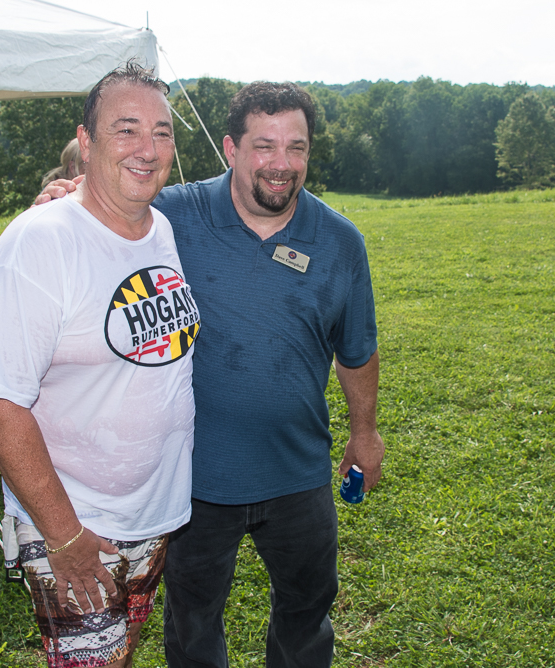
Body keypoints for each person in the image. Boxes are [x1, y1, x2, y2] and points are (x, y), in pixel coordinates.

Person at [39, 81, 385, 668]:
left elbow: (356, 350)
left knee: (306, 614)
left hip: (298, 473)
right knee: (192, 624)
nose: (281, 164)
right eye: (264, 146)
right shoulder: (173, 214)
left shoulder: (340, 241)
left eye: (296, 147)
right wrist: (66, 197)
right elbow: (106, 206)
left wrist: (365, 431)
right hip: (192, 480)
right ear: (230, 148)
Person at [0, 62, 200, 668]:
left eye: (162, 132)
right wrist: (64, 536)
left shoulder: (162, 229)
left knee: (120, 654)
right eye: (126, 129)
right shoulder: (37, 244)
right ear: (86, 143)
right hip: (75, 521)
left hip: (152, 514)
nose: (148, 148)